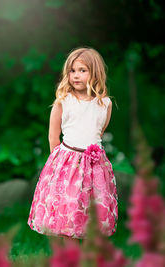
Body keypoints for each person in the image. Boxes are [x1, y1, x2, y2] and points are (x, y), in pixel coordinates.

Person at [27, 47, 118, 240]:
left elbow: (98, 132)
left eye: (82, 70)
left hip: (94, 166)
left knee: (90, 213)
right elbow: (53, 137)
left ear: (95, 73)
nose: (76, 76)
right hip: (67, 165)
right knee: (68, 211)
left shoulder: (105, 104)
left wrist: (90, 156)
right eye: (72, 71)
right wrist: (58, 169)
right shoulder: (64, 101)